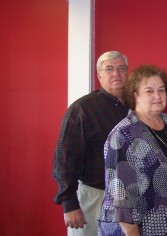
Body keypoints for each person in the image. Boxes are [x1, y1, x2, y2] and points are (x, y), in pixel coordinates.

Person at [98, 65, 167, 235]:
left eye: (161, 90)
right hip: (147, 229)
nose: (157, 96)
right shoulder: (123, 135)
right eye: (149, 91)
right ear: (134, 94)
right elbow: (121, 200)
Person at [52, 51, 129, 235]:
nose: (116, 73)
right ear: (99, 74)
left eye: (121, 68)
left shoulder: (136, 106)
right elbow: (65, 158)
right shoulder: (82, 109)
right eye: (109, 69)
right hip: (94, 196)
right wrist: (69, 203)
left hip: (129, 198)